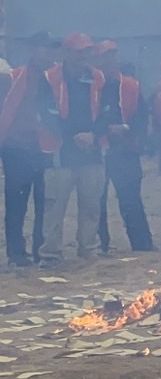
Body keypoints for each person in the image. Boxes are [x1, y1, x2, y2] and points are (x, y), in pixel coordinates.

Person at [36, 33, 110, 264]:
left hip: (92, 152)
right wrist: (74, 137)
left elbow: (108, 112)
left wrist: (93, 135)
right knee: (55, 207)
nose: (83, 55)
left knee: (91, 205)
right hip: (61, 152)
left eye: (87, 50)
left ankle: (88, 250)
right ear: (66, 53)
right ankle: (50, 254)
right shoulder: (49, 78)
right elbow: (47, 115)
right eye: (79, 51)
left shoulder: (98, 77)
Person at [0, 34, 61, 267]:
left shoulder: (56, 79)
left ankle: (40, 250)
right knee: (17, 204)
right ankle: (16, 253)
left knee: (44, 203)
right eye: (45, 48)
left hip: (45, 148)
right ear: (34, 49)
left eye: (51, 49)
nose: (48, 53)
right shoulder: (14, 77)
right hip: (16, 149)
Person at [94, 42, 153, 252]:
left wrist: (125, 128)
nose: (108, 61)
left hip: (125, 150)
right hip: (98, 150)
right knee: (96, 202)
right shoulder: (91, 86)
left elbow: (142, 116)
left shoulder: (130, 85)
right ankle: (101, 245)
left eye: (112, 56)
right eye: (103, 57)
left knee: (130, 199)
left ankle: (142, 245)